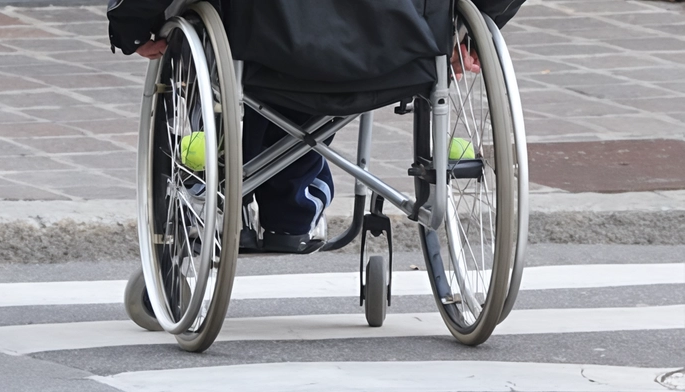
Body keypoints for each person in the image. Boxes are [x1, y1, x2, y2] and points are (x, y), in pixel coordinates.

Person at [108, 0, 491, 253]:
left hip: (262, 45)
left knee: (239, 58)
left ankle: (220, 185)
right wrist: (472, 34)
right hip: (401, 52)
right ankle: (293, 207)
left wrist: (134, 24)